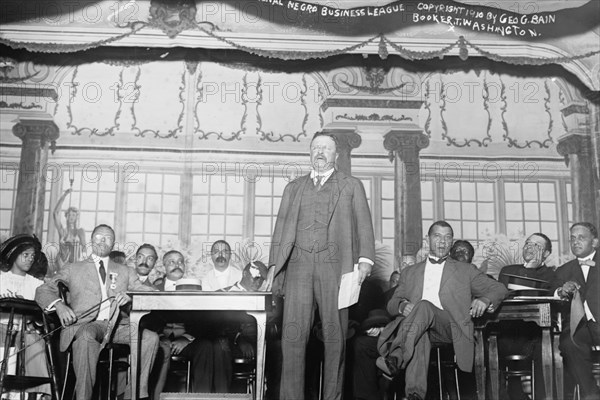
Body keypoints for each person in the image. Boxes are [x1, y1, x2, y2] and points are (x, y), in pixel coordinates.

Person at [266, 131, 376, 400]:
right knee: (293, 339)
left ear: (336, 155)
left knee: (335, 338)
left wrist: (365, 260)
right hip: (298, 266)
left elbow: (363, 224)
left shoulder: (351, 186)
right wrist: (272, 267)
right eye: (316, 147)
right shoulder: (293, 188)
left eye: (326, 148)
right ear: (309, 152)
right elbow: (280, 231)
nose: (320, 152)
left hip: (335, 268)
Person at [377, 220, 508, 400]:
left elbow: (500, 289)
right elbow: (392, 304)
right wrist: (402, 306)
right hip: (417, 329)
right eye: (437, 236)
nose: (442, 242)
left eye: (447, 238)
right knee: (419, 334)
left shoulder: (465, 270)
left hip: (449, 328)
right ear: (427, 240)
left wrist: (485, 300)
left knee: (423, 306)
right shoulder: (410, 272)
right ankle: (414, 395)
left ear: (451, 242)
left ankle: (396, 357)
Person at [35, 224, 159, 400]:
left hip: (118, 327)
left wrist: (131, 295)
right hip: (86, 325)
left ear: (113, 243)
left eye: (107, 238)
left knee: (150, 338)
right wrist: (60, 306)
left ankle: (134, 395)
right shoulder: (73, 268)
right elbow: (43, 290)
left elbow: (148, 290)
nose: (102, 240)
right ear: (92, 240)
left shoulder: (125, 270)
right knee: (85, 337)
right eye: (99, 236)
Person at [497, 233, 556, 400]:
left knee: (543, 348)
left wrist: (531, 268)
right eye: (528, 243)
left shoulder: (551, 275)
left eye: (536, 245)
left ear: (546, 254)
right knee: (490, 346)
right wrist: (528, 268)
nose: (530, 247)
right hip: (506, 333)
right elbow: (503, 295)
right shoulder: (508, 271)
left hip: (535, 336)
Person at [151, 250, 214, 398]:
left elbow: (204, 320)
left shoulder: (195, 289)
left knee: (206, 346)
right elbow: (148, 320)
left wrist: (186, 338)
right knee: (154, 346)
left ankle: (202, 398)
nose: (176, 265)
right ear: (163, 266)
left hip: (186, 340)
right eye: (171, 262)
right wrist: (160, 337)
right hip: (160, 339)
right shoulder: (154, 289)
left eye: (180, 261)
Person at [550, 222, 600, 400]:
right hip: (579, 327)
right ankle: (591, 393)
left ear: (594, 242)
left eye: (581, 238)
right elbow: (552, 295)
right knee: (569, 344)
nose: (575, 242)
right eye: (572, 238)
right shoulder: (563, 271)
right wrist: (561, 292)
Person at [0, 234, 51, 399]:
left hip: (25, 334)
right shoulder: (1, 279)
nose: (30, 259)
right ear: (14, 254)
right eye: (26, 255)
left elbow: (43, 316)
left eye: (33, 256)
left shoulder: (36, 285)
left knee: (34, 341)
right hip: (2, 330)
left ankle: (37, 393)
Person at [52, 188, 86, 268]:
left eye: (73, 215)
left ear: (76, 217)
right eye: (69, 215)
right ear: (66, 216)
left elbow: (84, 249)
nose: (71, 217)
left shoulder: (80, 231)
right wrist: (64, 195)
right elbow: (55, 213)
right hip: (62, 263)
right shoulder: (62, 231)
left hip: (75, 265)